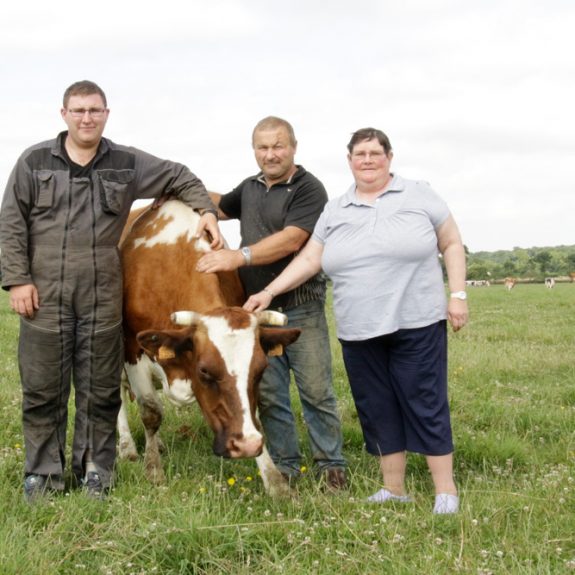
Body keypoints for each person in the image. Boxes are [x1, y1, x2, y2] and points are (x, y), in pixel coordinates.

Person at [0, 80, 222, 501]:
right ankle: (42, 475)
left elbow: (180, 175)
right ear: (63, 114)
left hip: (102, 292)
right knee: (43, 389)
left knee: (99, 390)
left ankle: (96, 472)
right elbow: (11, 222)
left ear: (106, 114)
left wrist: (207, 212)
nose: (87, 118)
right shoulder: (33, 161)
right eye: (79, 110)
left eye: (95, 110)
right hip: (44, 292)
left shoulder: (126, 162)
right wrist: (17, 279)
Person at [244, 127, 469, 514]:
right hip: (359, 329)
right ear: (349, 161)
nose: (367, 160)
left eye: (374, 153)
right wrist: (268, 292)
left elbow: (450, 241)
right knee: (376, 406)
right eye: (359, 154)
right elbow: (311, 259)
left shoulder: (419, 194)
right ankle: (393, 488)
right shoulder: (337, 208)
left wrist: (458, 295)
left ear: (389, 157)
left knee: (424, 401)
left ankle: (445, 491)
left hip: (416, 322)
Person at [196, 116, 347, 489]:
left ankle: (331, 466)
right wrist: (186, 189)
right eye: (263, 147)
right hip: (257, 316)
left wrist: (239, 256)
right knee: (270, 394)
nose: (271, 154)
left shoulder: (309, 189)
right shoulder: (249, 188)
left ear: (293, 147)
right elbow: (220, 204)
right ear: (254, 151)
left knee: (315, 390)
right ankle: (288, 468)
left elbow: (292, 240)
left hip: (300, 306)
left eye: (278, 146)